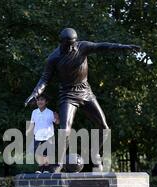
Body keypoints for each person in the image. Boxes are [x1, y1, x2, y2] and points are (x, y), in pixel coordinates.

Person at [25, 28, 141, 172]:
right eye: (69, 44)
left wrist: (123, 47)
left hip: (86, 92)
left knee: (104, 126)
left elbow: (102, 46)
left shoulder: (82, 46)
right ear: (62, 43)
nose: (73, 46)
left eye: (74, 43)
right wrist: (34, 93)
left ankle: (95, 154)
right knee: (65, 130)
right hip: (67, 95)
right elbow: (45, 79)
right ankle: (58, 164)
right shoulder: (53, 58)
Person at [26, 94, 60, 173]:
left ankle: (46, 170)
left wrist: (57, 117)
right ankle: (42, 168)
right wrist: (28, 130)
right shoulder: (34, 112)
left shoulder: (50, 112)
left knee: (46, 154)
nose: (39, 101)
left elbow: (57, 122)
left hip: (48, 136)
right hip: (37, 136)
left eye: (42, 100)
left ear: (46, 102)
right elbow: (32, 123)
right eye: (38, 100)